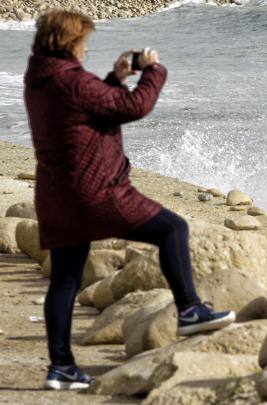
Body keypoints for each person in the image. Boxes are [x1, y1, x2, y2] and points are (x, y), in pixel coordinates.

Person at [23, 10, 235, 391]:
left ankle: (61, 368)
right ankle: (189, 309)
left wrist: (115, 78)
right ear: (69, 43)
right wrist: (154, 71)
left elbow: (91, 111)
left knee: (66, 280)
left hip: (57, 198)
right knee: (173, 228)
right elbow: (133, 107)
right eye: (83, 42)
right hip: (96, 192)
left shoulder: (38, 80)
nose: (86, 48)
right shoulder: (71, 81)